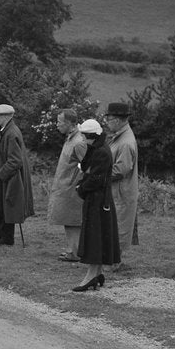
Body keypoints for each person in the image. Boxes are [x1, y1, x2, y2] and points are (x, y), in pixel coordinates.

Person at [72, 119, 121, 292]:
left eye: (85, 136)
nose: (83, 140)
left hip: (98, 200)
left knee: (94, 237)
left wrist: (81, 188)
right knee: (97, 235)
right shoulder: (97, 149)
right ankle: (97, 273)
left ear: (92, 136)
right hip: (98, 198)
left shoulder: (102, 152)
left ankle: (91, 276)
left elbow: (96, 179)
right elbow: (86, 167)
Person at [0, 104, 34, 246]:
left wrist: (1, 174)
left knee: (4, 208)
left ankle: (4, 239)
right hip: (5, 176)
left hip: (8, 178)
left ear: (6, 117)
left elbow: (15, 161)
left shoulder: (11, 133)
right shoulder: (6, 131)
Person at [47, 109, 88, 261]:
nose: (57, 125)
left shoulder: (78, 142)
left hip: (72, 189)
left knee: (73, 220)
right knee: (68, 220)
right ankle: (73, 249)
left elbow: (87, 166)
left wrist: (78, 184)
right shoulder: (71, 138)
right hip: (65, 187)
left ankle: (76, 253)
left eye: (60, 122)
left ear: (70, 124)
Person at [104, 102, 139, 255]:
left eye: (108, 119)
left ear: (117, 120)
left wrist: (97, 173)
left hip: (120, 192)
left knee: (119, 225)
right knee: (115, 224)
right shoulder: (121, 137)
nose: (106, 123)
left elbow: (120, 170)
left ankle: (115, 261)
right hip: (118, 191)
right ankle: (113, 258)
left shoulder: (125, 142)